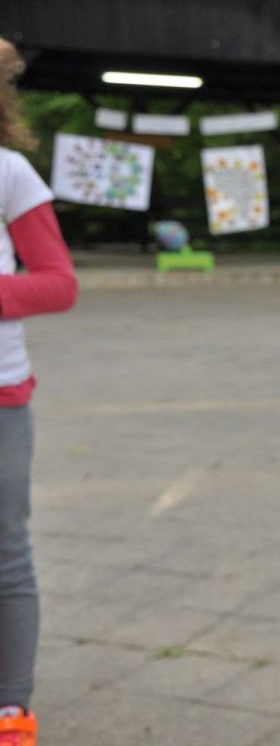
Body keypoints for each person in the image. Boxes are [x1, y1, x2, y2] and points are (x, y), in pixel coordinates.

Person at [0, 38, 78, 746]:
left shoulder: (10, 173)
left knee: (6, 556)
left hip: (2, 401)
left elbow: (58, 284)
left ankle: (11, 706)